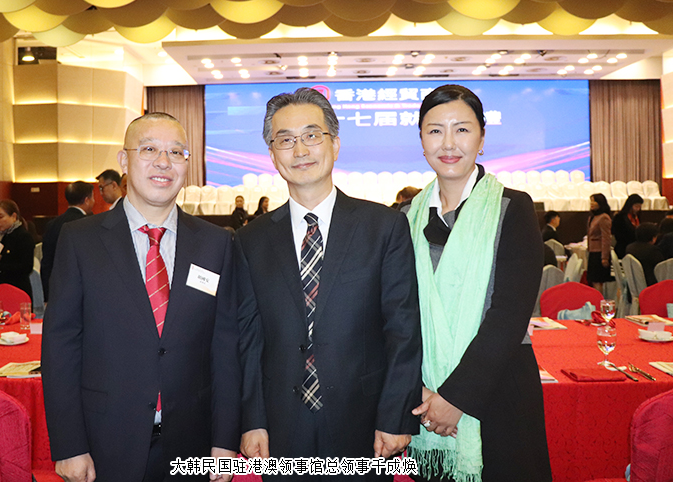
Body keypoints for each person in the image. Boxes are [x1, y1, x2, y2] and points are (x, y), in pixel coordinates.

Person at [235, 87, 422, 481]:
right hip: (280, 424)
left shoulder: (384, 227)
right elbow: (248, 339)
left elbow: (403, 330)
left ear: (335, 144)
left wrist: (395, 415)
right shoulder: (250, 240)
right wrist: (252, 420)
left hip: (365, 420)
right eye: (285, 140)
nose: (300, 149)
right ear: (273, 155)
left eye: (311, 135)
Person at [42, 112, 240, 482]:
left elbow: (226, 346)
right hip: (106, 442)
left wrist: (225, 441)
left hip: (194, 442)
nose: (164, 162)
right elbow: (61, 345)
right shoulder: (80, 240)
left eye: (176, 152)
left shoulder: (216, 244)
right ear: (124, 160)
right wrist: (69, 445)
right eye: (149, 149)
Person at [405, 85, 551, 482]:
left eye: (462, 129)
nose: (448, 143)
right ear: (421, 140)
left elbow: (509, 314)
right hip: (425, 400)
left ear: (482, 138)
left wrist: (456, 398)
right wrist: (420, 392)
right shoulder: (405, 218)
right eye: (435, 131)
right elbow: (397, 315)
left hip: (500, 393)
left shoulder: (512, 208)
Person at [41, 181, 94, 302]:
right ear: (87, 200)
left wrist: (48, 294)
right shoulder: (89, 223)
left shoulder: (52, 224)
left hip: (57, 286)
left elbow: (47, 261)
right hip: (82, 289)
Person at [0, 200, 35, 299]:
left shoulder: (23, 236)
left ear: (14, 217)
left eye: (1, 217)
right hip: (2, 288)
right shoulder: (5, 235)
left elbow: (26, 267)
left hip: (18, 290)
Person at [587, 193, 614, 292]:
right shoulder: (592, 217)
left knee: (598, 280)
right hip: (592, 252)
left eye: (594, 201)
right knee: (593, 280)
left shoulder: (604, 217)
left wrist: (605, 257)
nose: (592, 203)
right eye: (591, 201)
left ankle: (599, 300)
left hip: (599, 253)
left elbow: (606, 238)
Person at [612, 194, 643, 258]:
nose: (638, 209)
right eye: (636, 206)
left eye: (639, 207)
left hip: (635, 247)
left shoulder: (637, 217)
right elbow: (617, 234)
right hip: (623, 247)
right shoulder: (620, 217)